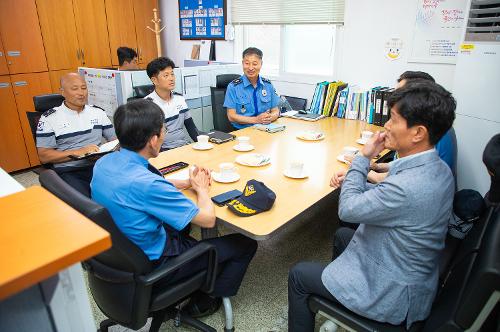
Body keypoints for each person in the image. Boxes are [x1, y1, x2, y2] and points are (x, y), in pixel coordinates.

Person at [288, 80, 456, 331]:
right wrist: (357, 183)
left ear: (418, 133)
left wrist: (363, 158)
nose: (386, 125)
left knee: (299, 275)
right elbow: (394, 200)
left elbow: (348, 209)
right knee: (343, 236)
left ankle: (337, 305)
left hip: (391, 293)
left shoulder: (408, 185)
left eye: (394, 119)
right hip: (410, 272)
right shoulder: (437, 168)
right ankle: (337, 308)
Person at [91, 99, 257, 317]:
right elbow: (208, 220)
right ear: (153, 140)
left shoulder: (105, 163)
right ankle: (206, 300)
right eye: (164, 130)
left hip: (122, 254)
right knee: (245, 244)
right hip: (155, 264)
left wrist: (185, 183)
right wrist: (202, 190)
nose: (165, 134)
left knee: (183, 226)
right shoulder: (148, 184)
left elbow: (142, 187)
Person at [344, 71, 455, 184]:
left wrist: (360, 165)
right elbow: (408, 165)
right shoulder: (436, 123)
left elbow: (400, 180)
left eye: (402, 93)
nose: (396, 98)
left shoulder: (433, 133)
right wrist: (377, 166)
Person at [36, 72, 116, 197]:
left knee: (122, 191)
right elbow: (44, 156)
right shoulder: (49, 118)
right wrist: (79, 152)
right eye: (75, 89)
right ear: (62, 92)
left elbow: (114, 140)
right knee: (86, 204)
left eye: (84, 88)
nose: (81, 93)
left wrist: (105, 151)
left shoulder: (98, 112)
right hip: (69, 170)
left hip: (99, 165)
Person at [145, 57, 200, 150]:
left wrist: (202, 144)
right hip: (162, 151)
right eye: (166, 75)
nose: (171, 79)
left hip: (184, 146)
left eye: (172, 74)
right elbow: (149, 140)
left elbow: (191, 128)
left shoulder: (180, 98)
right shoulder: (147, 105)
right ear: (154, 80)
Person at [223, 47, 280, 129]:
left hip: (265, 129)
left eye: (255, 64)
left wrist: (269, 118)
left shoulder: (267, 85)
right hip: (242, 131)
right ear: (242, 63)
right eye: (247, 63)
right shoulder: (233, 87)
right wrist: (256, 120)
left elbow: (275, 111)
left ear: (261, 64)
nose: (250, 68)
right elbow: (231, 116)